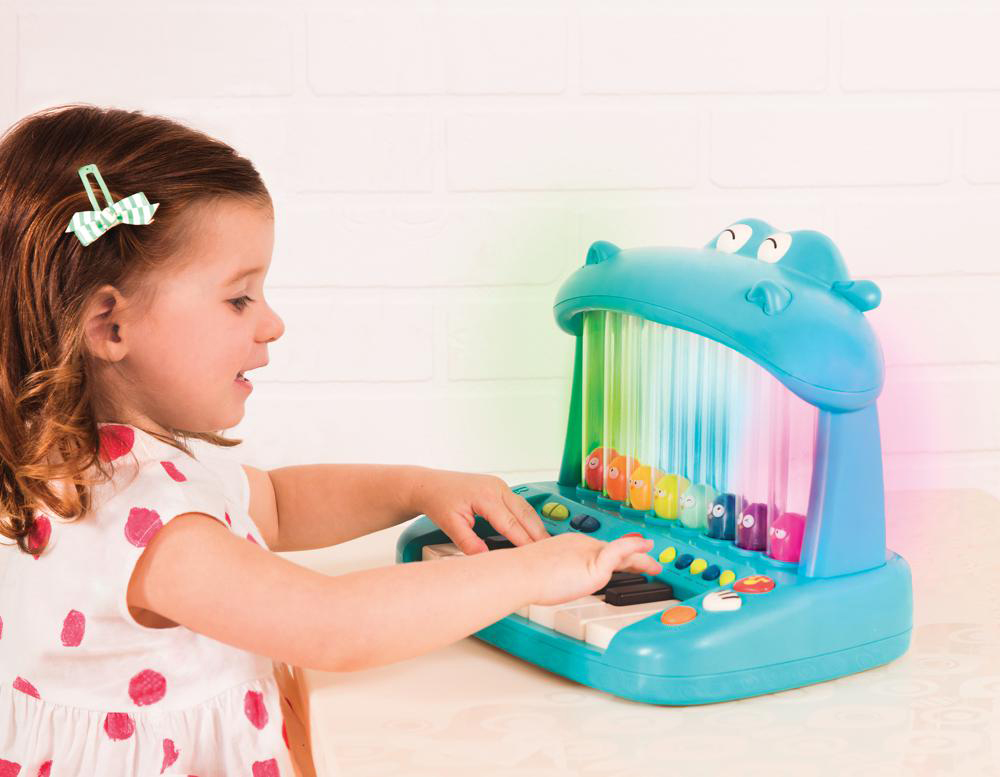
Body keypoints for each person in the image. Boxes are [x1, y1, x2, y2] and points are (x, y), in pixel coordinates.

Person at [0, 104, 661, 777]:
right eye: (239, 298)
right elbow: (333, 626)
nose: (272, 323)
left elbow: (279, 503)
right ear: (111, 327)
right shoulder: (149, 525)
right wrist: (536, 572)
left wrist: (419, 488)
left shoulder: (96, 468)